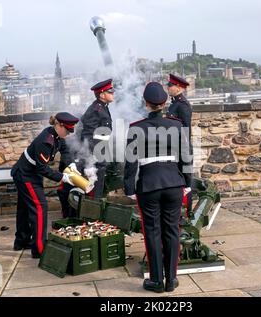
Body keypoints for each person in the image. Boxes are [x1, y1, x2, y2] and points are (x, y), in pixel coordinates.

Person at [124, 82, 193, 293]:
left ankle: (156, 280)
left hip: (149, 184)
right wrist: (188, 184)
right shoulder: (176, 125)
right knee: (172, 231)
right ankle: (171, 279)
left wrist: (129, 188)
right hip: (174, 182)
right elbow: (186, 156)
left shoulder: (136, 127)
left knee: (153, 232)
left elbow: (130, 162)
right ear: (164, 104)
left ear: (146, 103)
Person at [11, 112, 80, 258]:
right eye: (67, 130)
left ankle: (21, 241)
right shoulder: (46, 141)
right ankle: (39, 249)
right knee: (40, 207)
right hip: (26, 175)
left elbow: (65, 149)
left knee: (24, 208)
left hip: (27, 172)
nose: (68, 134)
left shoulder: (56, 135)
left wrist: (71, 164)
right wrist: (63, 177)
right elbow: (41, 168)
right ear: (59, 125)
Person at [80, 79, 115, 198]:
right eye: (110, 92)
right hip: (94, 156)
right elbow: (88, 136)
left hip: (100, 153)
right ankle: (92, 214)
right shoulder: (95, 110)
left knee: (99, 188)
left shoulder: (103, 107)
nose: (112, 94)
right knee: (94, 189)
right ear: (102, 95)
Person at [166, 74, 194, 217]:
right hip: (175, 147)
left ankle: (187, 212)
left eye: (171, 86)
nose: (168, 88)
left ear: (179, 88)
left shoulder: (182, 105)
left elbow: (185, 130)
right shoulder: (174, 103)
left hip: (182, 147)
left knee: (186, 181)